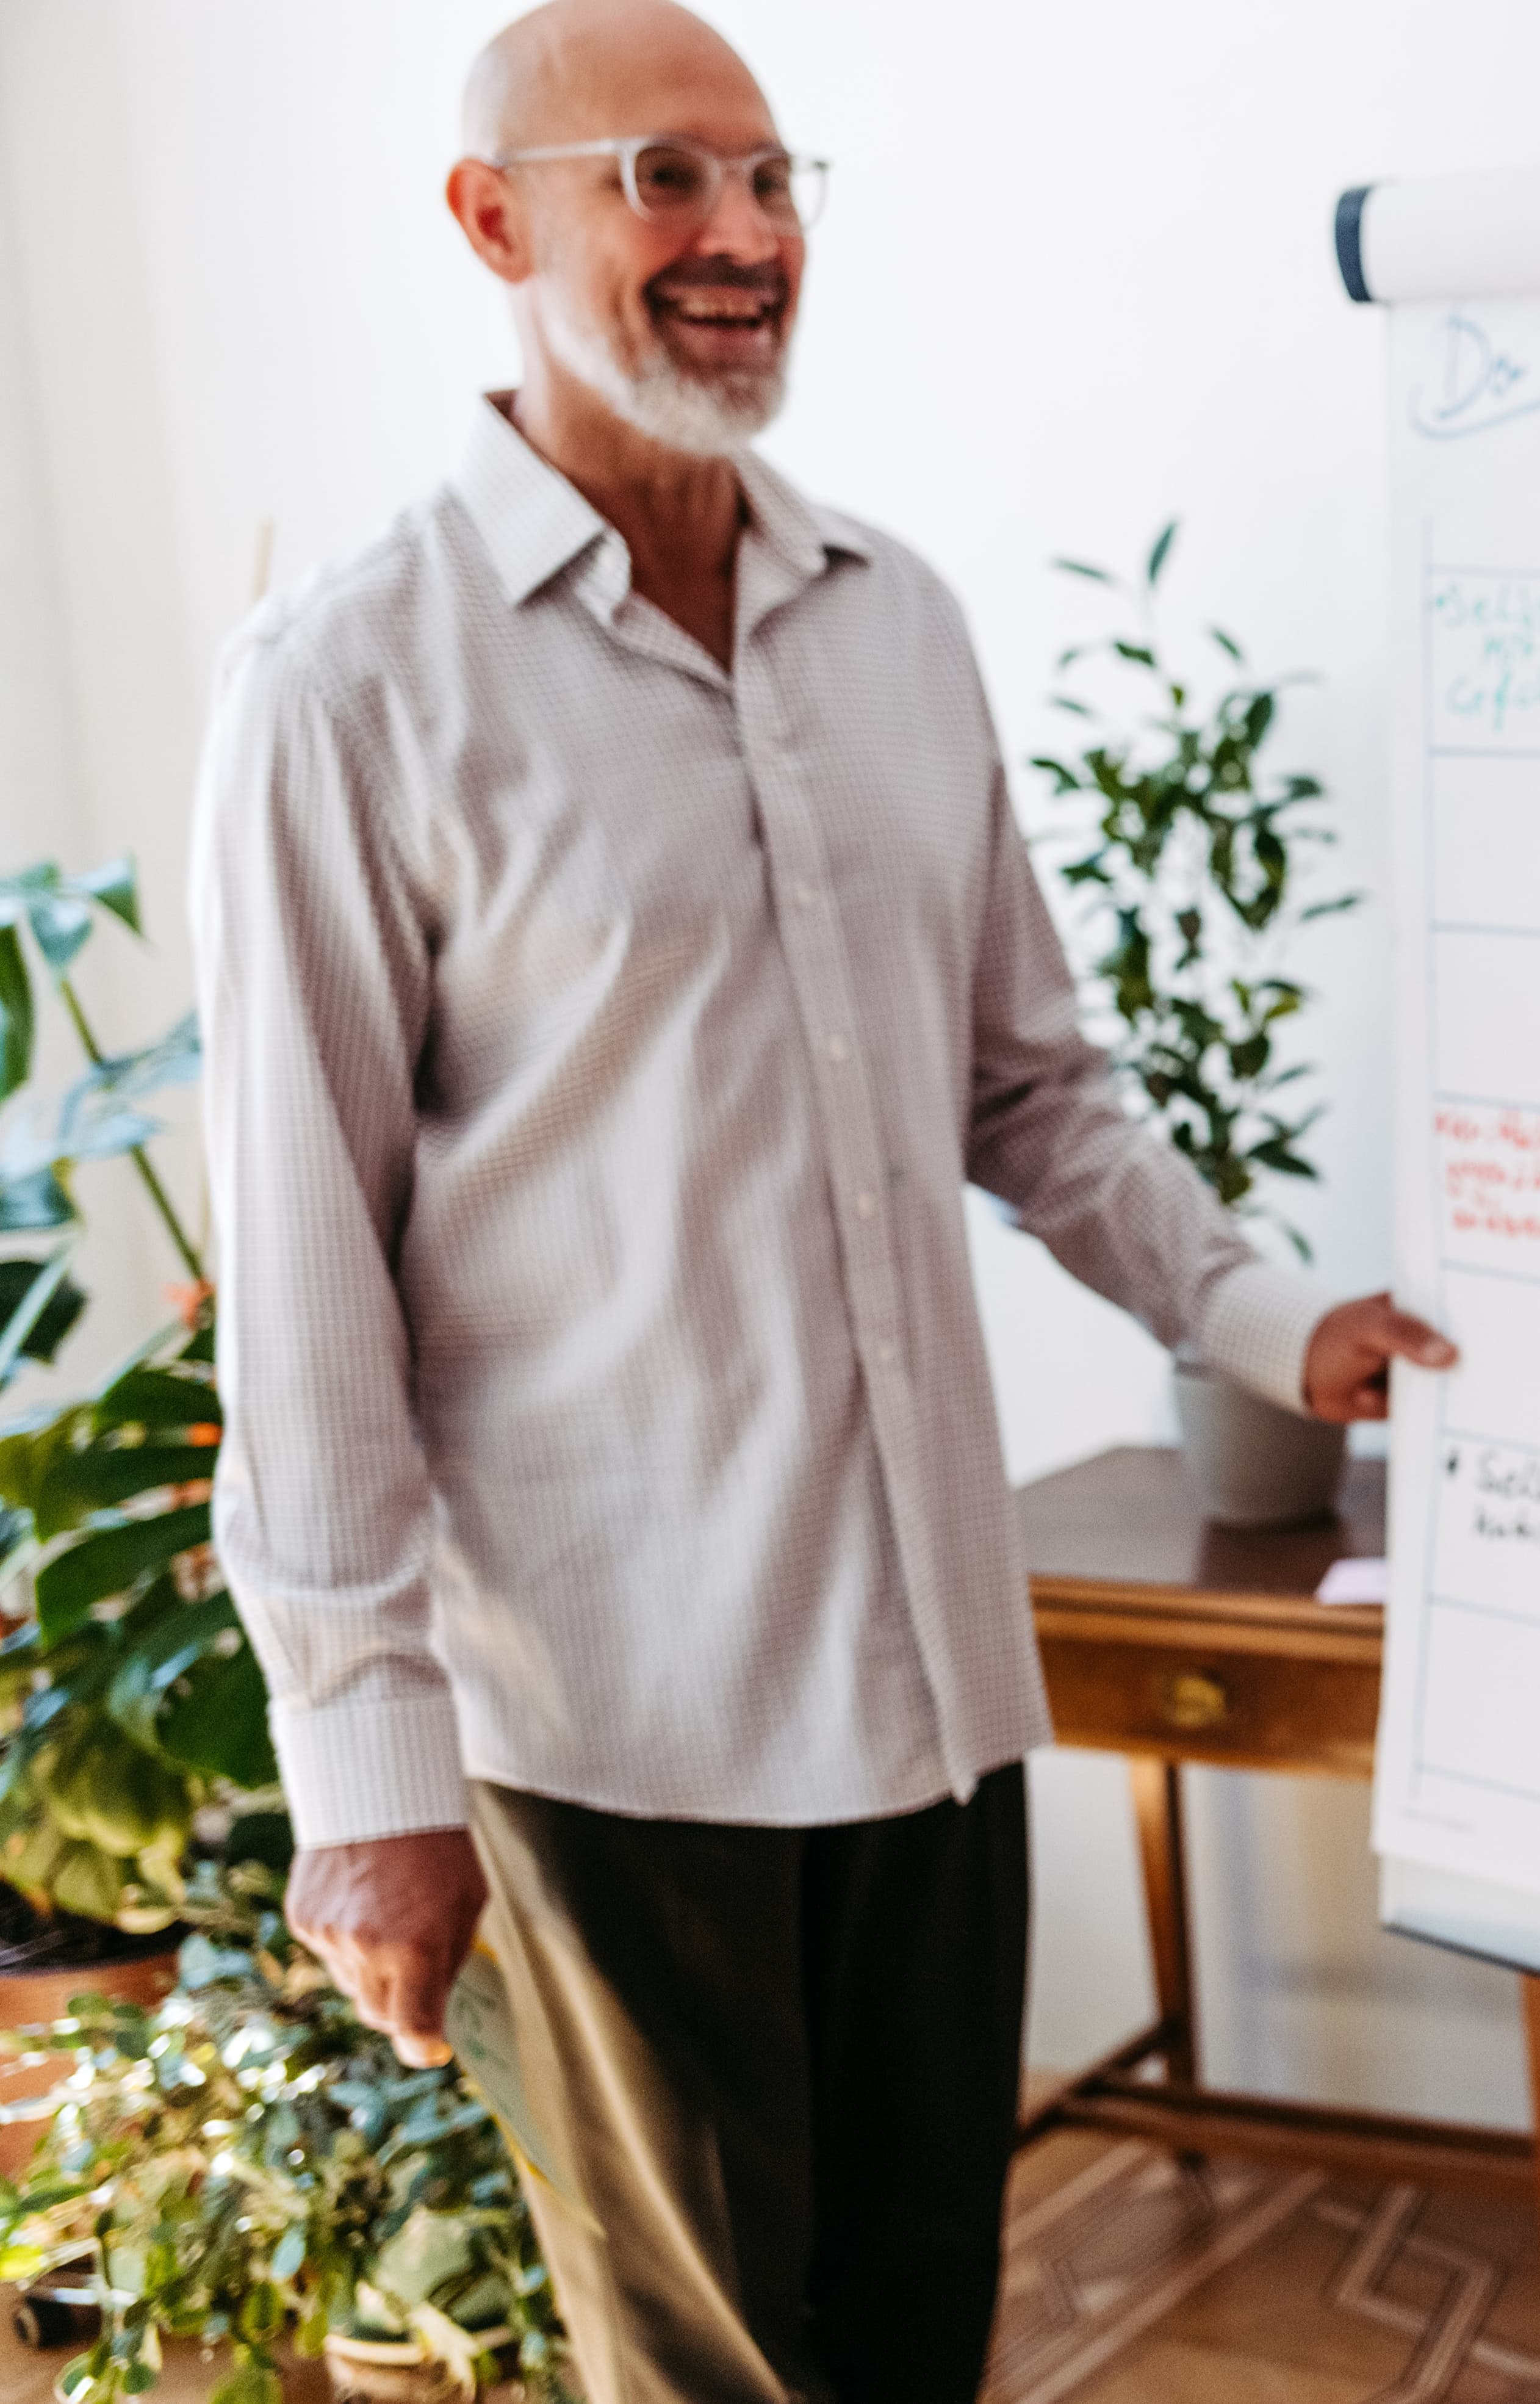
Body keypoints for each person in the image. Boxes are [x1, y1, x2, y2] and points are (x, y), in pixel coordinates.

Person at [189, 3, 1454, 2399]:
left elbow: (1035, 1089)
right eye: (664, 179)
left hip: (934, 1691)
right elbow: (303, 1266)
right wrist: (362, 1777)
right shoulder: (347, 683)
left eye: (774, 184)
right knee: (715, 2372)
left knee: (908, 2338)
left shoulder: (899, 622)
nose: (745, 238)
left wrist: (1278, 1319)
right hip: (615, 1725)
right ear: (493, 220)